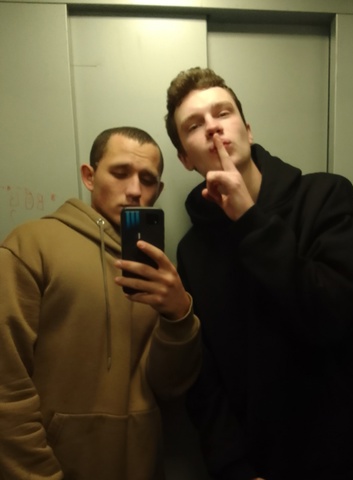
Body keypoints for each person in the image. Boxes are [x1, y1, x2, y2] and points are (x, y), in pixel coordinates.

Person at [164, 67, 353, 480]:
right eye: (194, 125)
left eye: (223, 113)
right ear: (185, 158)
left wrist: (249, 219)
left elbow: (327, 314)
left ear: (248, 130)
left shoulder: (326, 197)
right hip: (258, 467)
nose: (213, 127)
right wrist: (233, 466)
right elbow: (204, 376)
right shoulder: (193, 250)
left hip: (350, 461)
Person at [0, 126, 202, 480]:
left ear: (158, 190)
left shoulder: (159, 274)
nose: (135, 189)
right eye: (120, 173)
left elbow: (169, 388)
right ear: (89, 176)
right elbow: (7, 386)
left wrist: (178, 315)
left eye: (148, 179)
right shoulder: (31, 245)